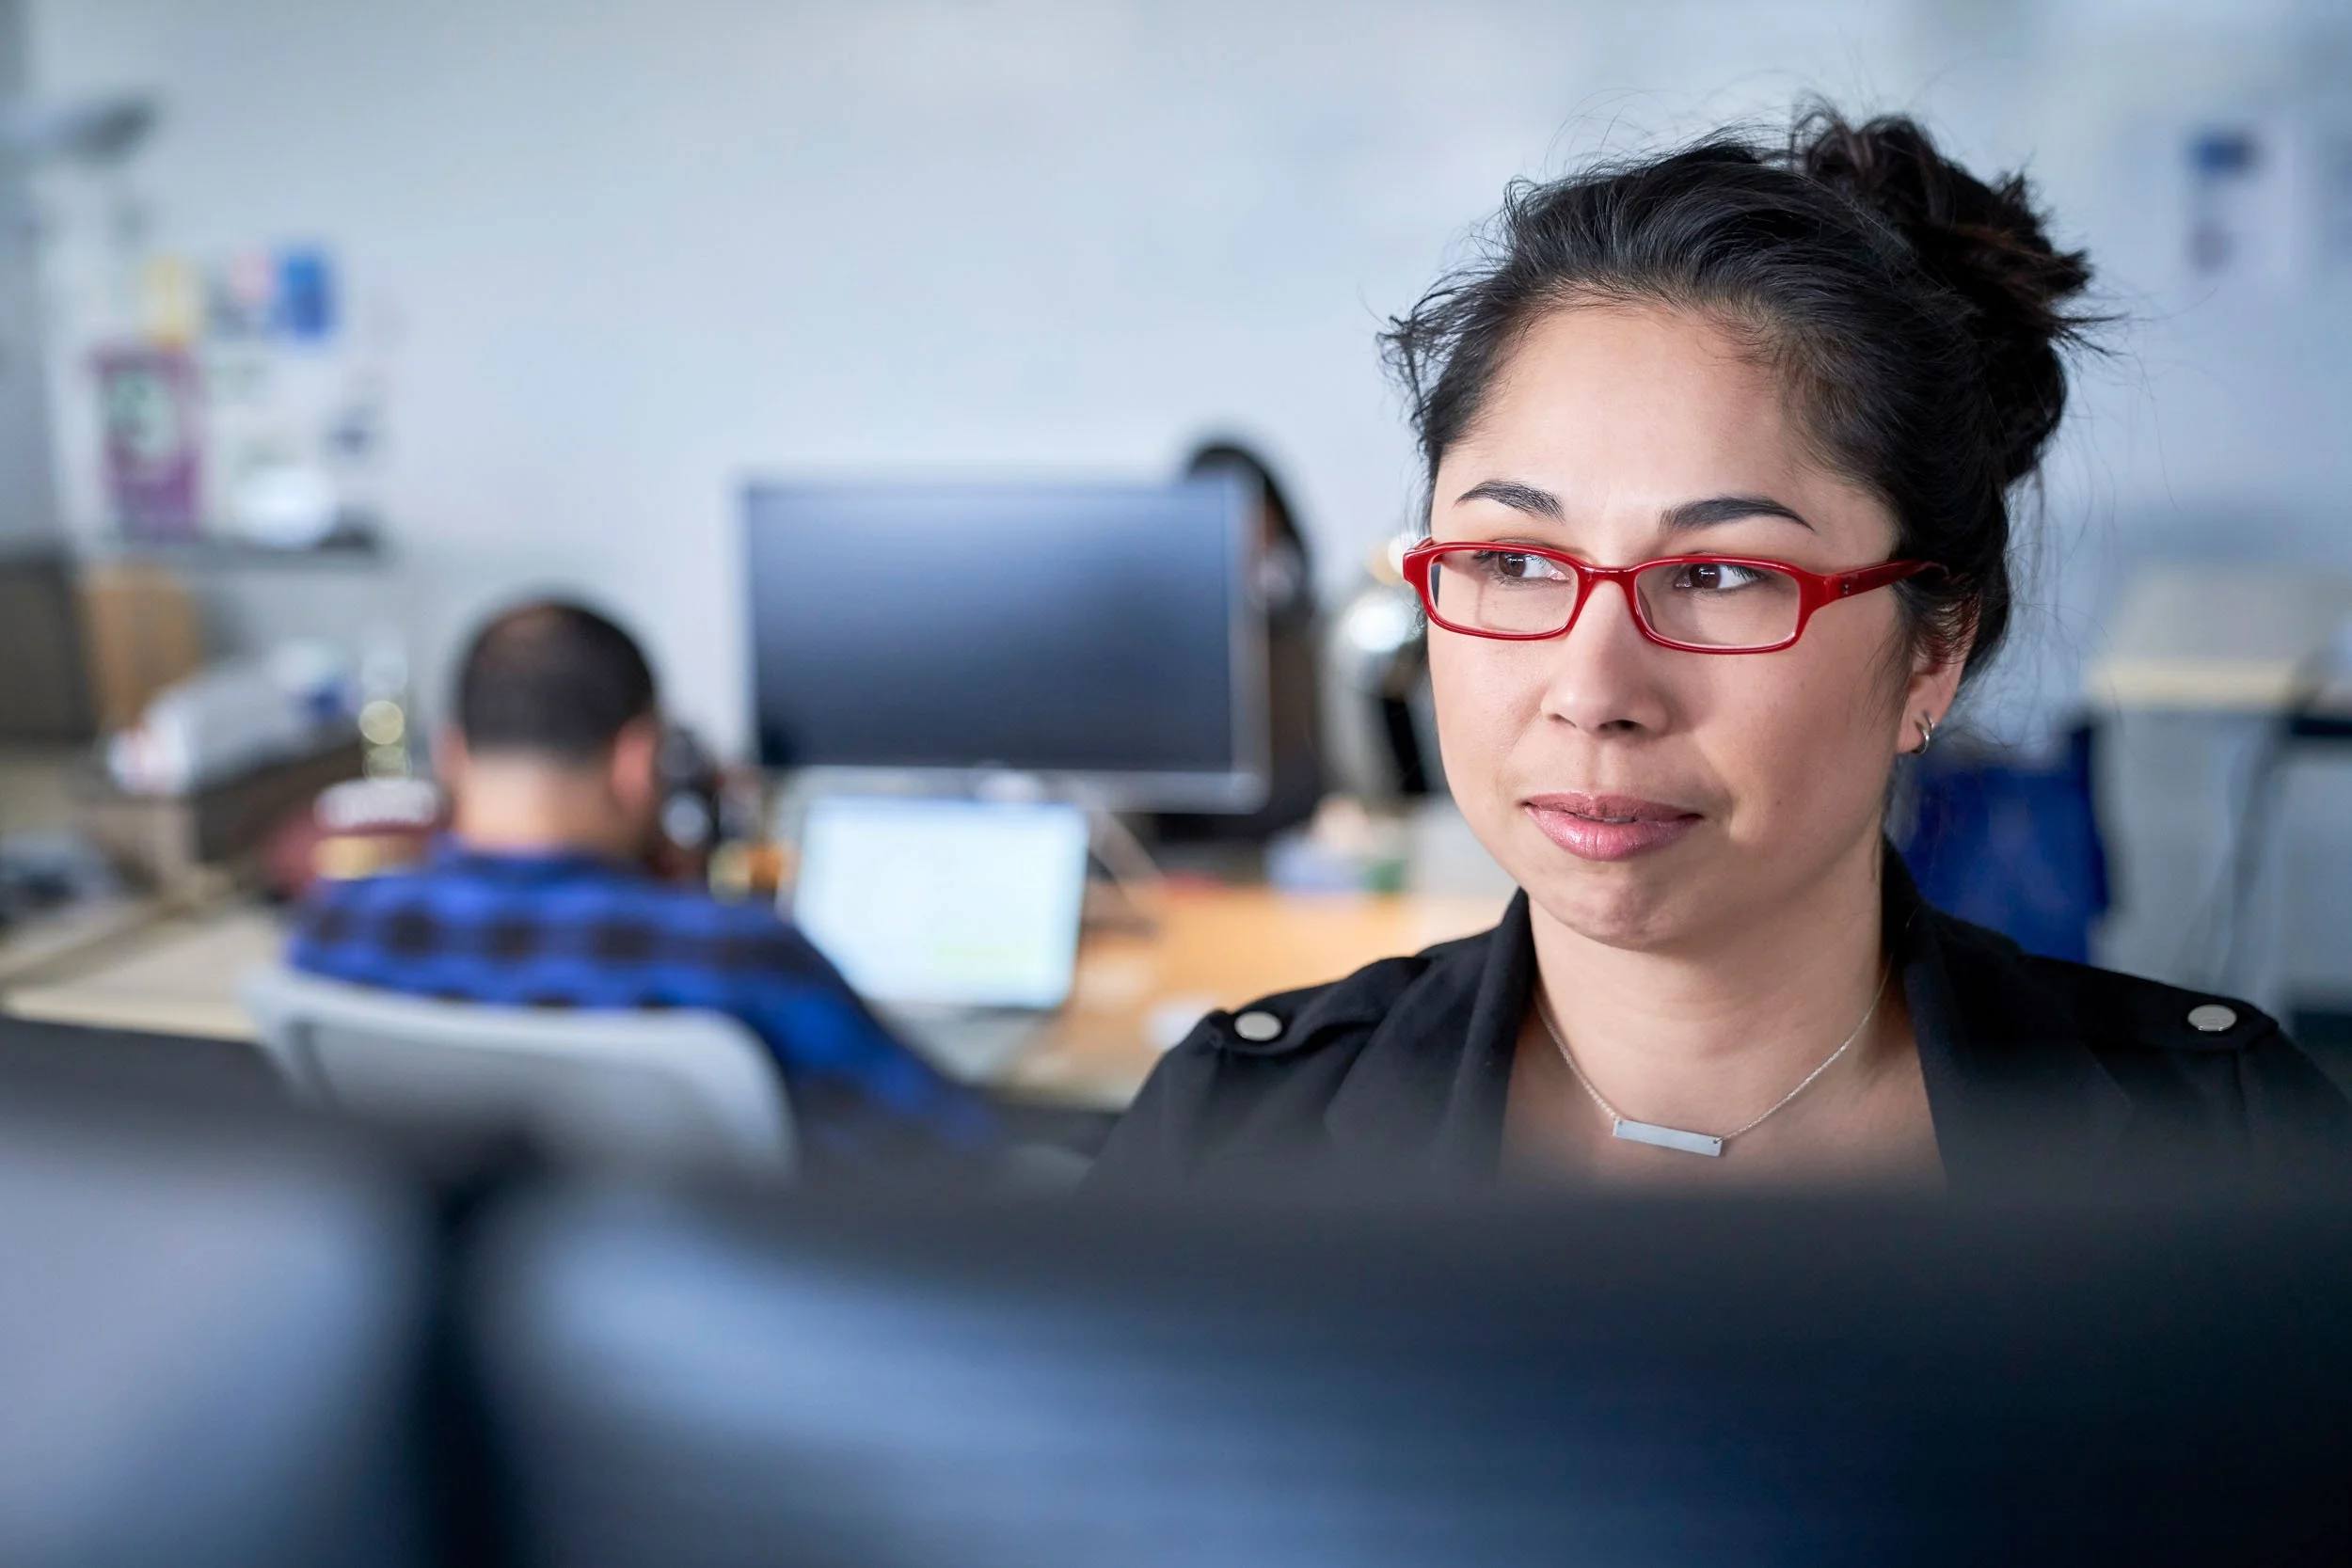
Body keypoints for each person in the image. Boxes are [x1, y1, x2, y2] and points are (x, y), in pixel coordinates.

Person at [1090, 109, 2352, 1196]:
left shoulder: (2233, 1149)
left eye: (1719, 575)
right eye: (1516, 561)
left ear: (1933, 650)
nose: (1593, 690)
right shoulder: (1228, 1138)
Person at [289, 599, 1000, 1180]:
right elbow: (955, 1153)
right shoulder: (733, 953)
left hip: (466, 1304)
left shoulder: (338, 929)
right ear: (637, 760)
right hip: (714, 1301)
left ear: (450, 753)